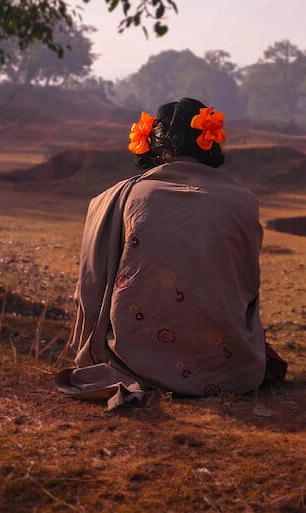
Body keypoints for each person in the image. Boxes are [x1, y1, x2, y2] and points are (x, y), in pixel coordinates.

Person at [54, 97, 286, 408]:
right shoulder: (242, 201)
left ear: (153, 144)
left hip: (135, 361)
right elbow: (246, 288)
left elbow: (91, 285)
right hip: (230, 366)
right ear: (209, 142)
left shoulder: (119, 198)